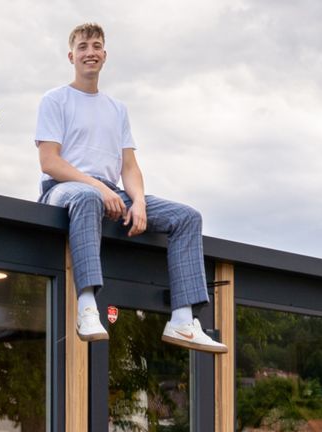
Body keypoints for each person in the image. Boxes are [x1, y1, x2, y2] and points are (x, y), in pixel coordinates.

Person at [35, 22, 226, 353]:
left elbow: (129, 166)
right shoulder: (55, 100)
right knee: (87, 196)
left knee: (187, 217)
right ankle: (87, 307)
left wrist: (138, 202)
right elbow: (49, 161)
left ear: (104, 55)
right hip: (65, 189)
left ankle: (182, 321)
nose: (90, 52)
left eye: (96, 46)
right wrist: (98, 188)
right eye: (83, 47)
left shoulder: (117, 109)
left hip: (111, 192)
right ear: (71, 56)